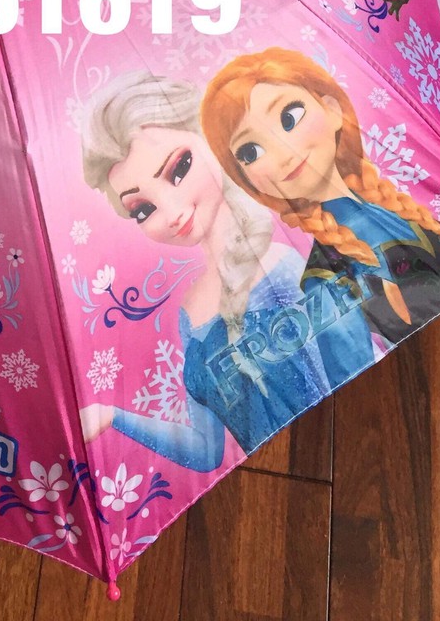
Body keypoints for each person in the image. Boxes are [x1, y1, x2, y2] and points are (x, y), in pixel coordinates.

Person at [78, 73, 373, 472]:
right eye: (143, 209)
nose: (172, 211)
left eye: (179, 169)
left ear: (212, 142)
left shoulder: (285, 268)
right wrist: (113, 416)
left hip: (350, 458)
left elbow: (354, 379)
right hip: (281, 478)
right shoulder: (189, 315)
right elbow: (205, 452)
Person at [201, 47, 440, 348]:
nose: (284, 152)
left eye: (290, 117)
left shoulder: (400, 203)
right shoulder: (324, 279)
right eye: (250, 152)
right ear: (245, 178)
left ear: (331, 109)